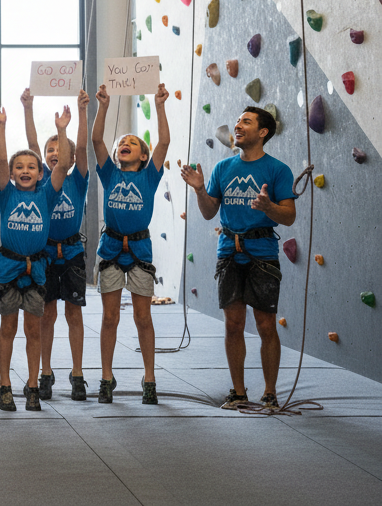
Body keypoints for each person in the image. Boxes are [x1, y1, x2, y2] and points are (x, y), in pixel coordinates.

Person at [179, 106, 297, 410]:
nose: (238, 125)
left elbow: (289, 216)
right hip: (229, 252)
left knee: (266, 324)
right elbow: (208, 212)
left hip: (262, 253)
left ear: (263, 132)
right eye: (237, 121)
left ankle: (270, 393)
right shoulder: (223, 168)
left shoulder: (278, 170)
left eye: (246, 121)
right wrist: (199, 190)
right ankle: (239, 391)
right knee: (233, 324)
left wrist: (268, 207)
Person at [91, 82, 170, 405]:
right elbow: (97, 139)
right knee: (110, 317)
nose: (124, 143)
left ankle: (149, 377)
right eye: (121, 142)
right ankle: (107, 376)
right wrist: (104, 107)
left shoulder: (149, 176)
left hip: (139, 249)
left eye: (132, 142)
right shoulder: (109, 174)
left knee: (142, 317)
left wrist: (160, 105)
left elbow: (164, 140)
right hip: (110, 247)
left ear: (143, 155)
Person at [0, 98, 72, 412]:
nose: (25, 171)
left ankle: (32, 383)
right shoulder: (6, 192)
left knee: (33, 329)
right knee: (8, 328)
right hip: (10, 268)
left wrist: (62, 131)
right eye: (19, 167)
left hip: (37, 269)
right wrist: (0, 125)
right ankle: (4, 383)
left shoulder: (47, 193)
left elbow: (63, 165)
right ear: (12, 174)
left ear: (41, 173)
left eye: (31, 167)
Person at [32, 87, 91, 403]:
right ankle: (46, 372)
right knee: (46, 314)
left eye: (61, 149)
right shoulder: (41, 177)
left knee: (74, 314)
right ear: (44, 157)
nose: (56, 153)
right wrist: (28, 107)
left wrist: (79, 114)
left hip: (71, 252)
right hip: (44, 252)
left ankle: (78, 373)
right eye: (50, 150)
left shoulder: (77, 177)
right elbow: (30, 144)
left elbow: (81, 147)